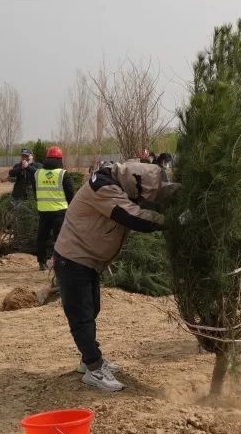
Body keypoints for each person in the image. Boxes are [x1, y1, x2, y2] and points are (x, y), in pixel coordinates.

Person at [52, 161, 174, 392]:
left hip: (86, 261)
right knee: (82, 317)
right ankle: (94, 368)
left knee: (91, 310)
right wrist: (172, 222)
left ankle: (88, 359)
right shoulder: (103, 188)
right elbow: (132, 216)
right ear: (137, 184)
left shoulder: (117, 182)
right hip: (73, 259)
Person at [34, 145, 75, 271]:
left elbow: (36, 191)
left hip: (43, 211)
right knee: (59, 238)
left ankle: (42, 263)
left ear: (47, 158)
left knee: (42, 237)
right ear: (59, 159)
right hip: (60, 211)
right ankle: (59, 263)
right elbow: (70, 193)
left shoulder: (38, 173)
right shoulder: (62, 174)